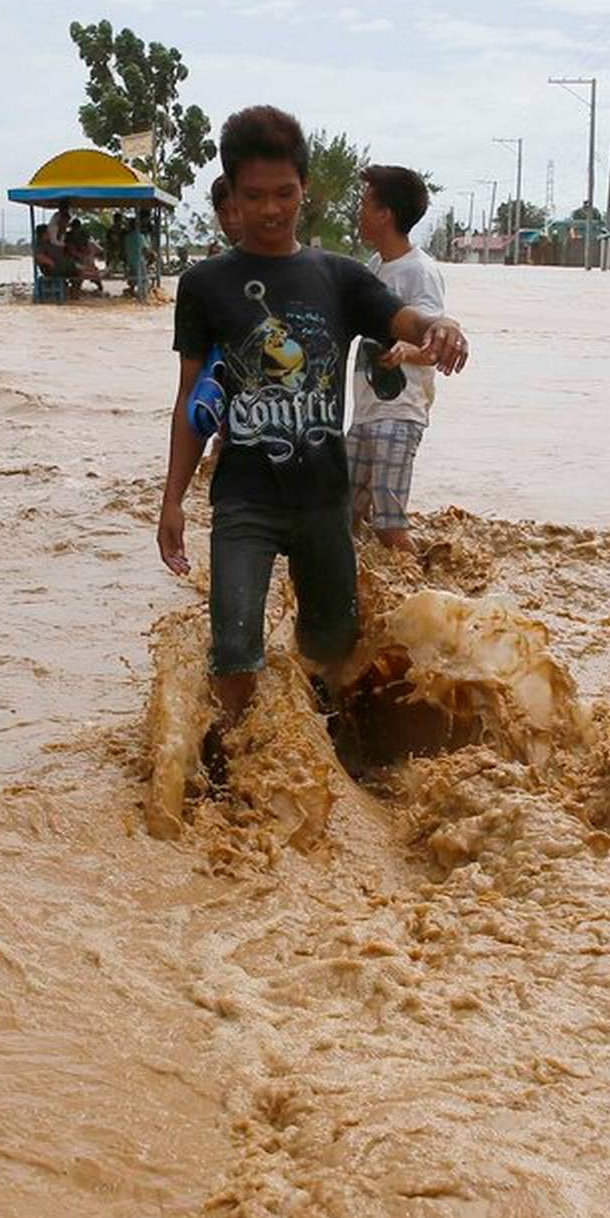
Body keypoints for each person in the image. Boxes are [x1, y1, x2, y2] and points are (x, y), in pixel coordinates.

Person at [157, 104, 468, 759]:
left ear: (305, 189)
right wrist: (172, 500)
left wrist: (441, 327)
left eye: (285, 193)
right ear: (232, 194)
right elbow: (191, 399)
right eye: (253, 196)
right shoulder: (205, 284)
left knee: (332, 650)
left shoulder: (339, 277)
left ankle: (331, 763)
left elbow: (404, 320)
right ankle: (232, 769)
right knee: (233, 646)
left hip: (325, 502)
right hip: (243, 501)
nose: (271, 210)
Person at [347, 164, 447, 555]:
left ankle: (419, 582)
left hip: (400, 413)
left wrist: (408, 349)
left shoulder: (420, 272)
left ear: (384, 215)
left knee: (389, 526)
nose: (358, 212)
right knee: (342, 513)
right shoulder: (375, 266)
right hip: (366, 412)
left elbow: (437, 345)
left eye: (364, 204)